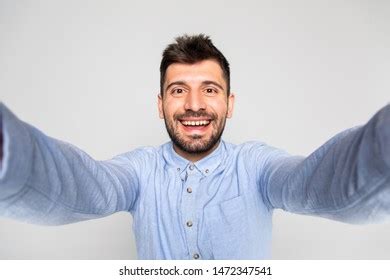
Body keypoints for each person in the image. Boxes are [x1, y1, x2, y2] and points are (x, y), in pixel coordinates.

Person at [0, 34, 389, 260]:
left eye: (210, 90)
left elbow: (318, 183)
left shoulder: (257, 166)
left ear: (229, 103)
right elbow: (80, 187)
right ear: (160, 105)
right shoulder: (139, 170)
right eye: (178, 90)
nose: (194, 105)